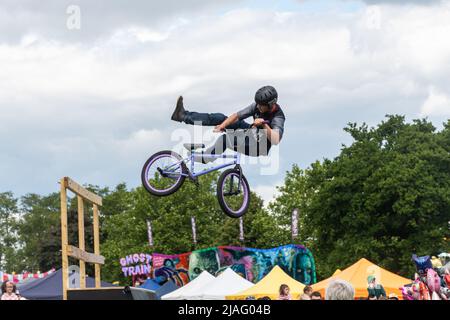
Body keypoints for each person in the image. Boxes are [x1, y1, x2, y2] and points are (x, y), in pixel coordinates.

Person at [171, 86, 286, 163]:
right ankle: (182, 115)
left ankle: (202, 158)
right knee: (220, 118)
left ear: (271, 104)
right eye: (258, 104)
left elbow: (276, 140)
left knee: (225, 139)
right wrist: (222, 125)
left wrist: (264, 125)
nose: (258, 107)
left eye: (261, 105)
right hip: (251, 133)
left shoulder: (278, 117)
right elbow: (237, 116)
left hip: (259, 147)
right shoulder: (257, 106)